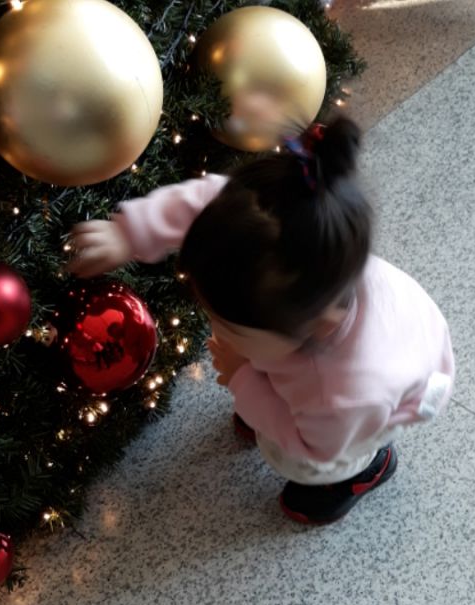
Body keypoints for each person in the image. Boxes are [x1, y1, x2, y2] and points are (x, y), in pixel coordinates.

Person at [68, 115, 455, 525]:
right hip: (351, 351)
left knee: (294, 456)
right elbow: (203, 202)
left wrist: (243, 379)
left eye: (229, 327)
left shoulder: (344, 393)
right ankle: (266, 393)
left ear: (311, 327)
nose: (214, 327)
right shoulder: (268, 228)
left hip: (367, 418)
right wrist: (129, 234)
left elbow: (314, 447)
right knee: (271, 390)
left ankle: (364, 471)